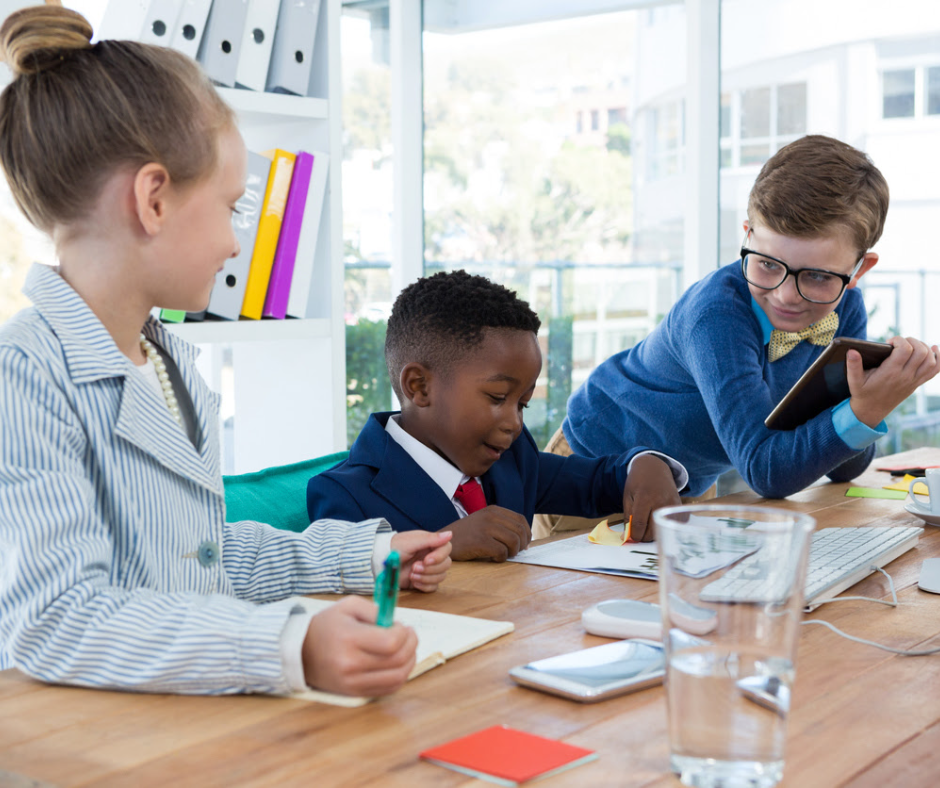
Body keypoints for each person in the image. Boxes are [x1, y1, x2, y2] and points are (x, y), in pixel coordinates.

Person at [0, 6, 452, 699]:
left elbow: (201, 558)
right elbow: (58, 618)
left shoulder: (170, 364)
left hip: (175, 729)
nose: (237, 243)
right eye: (232, 205)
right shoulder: (23, 376)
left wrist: (364, 552)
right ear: (153, 199)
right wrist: (287, 645)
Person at [549, 134, 940, 524]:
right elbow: (764, 471)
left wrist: (867, 407)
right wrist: (864, 409)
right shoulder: (716, 314)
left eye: (818, 276)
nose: (787, 296)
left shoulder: (844, 310)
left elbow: (841, 468)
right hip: (596, 468)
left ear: (859, 270)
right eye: (768, 264)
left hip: (688, 480)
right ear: (747, 235)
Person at [306, 270, 688, 559]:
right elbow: (345, 574)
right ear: (419, 387)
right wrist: (447, 546)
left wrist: (645, 464)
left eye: (522, 403)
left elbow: (595, 483)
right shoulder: (344, 494)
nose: (514, 422)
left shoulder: (513, 458)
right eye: (497, 396)